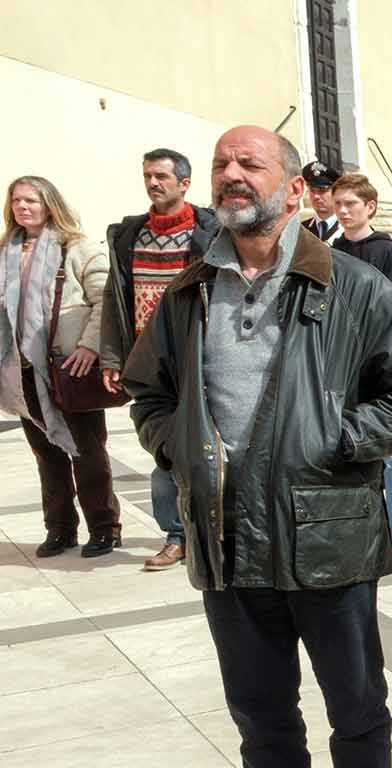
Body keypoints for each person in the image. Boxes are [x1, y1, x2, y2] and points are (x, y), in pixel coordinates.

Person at [123, 125, 392, 768]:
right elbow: (148, 394)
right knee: (259, 712)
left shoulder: (355, 287)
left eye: (250, 163)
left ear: (295, 189)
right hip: (226, 537)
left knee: (355, 707)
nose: (232, 175)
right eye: (222, 164)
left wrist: (334, 438)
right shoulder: (190, 293)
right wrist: (180, 446)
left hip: (327, 535)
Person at [97, 148, 219, 571]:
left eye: (161, 176)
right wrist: (112, 357)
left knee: (210, 445)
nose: (153, 183)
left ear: (185, 183)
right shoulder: (129, 236)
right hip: (151, 364)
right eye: (148, 175)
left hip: (200, 357)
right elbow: (114, 300)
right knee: (163, 447)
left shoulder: (209, 233)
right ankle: (176, 535)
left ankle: (215, 526)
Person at [1, 176, 118, 558]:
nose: (23, 207)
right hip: (23, 371)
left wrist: (89, 346)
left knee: (88, 452)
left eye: (31, 200)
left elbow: (106, 301)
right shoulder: (5, 252)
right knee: (46, 455)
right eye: (16, 200)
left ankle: (104, 528)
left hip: (69, 370)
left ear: (49, 204)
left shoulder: (77, 248)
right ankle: (60, 529)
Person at [330, 172, 392, 563]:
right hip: (339, 364)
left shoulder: (391, 254)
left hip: (378, 364)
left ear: (369, 207)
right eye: (338, 204)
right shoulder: (330, 251)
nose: (343, 211)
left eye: (350, 203)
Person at [301, 162, 341, 242]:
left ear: (336, 192)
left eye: (322, 190)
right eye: (312, 190)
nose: (316, 196)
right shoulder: (301, 230)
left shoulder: (349, 228)